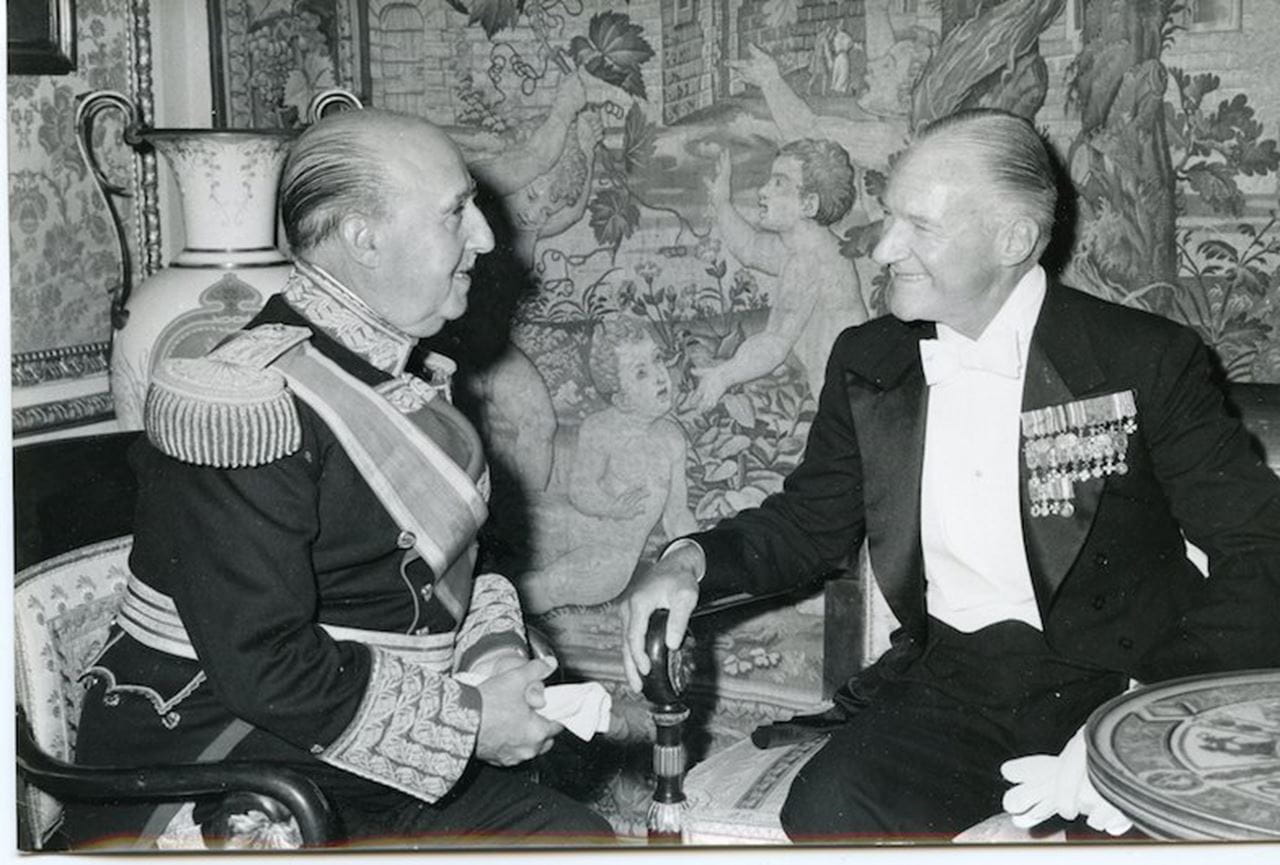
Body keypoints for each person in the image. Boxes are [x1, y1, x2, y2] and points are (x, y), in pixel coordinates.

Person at [620, 108, 1280, 841]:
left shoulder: (1143, 357)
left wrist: (1144, 718)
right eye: (888, 217)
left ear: (1013, 240)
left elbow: (1261, 548)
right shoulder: (870, 359)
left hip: (1121, 682)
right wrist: (689, 559)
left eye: (919, 226)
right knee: (828, 813)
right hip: (951, 684)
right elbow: (807, 525)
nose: (882, 249)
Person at [67, 108, 614, 849]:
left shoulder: (401, 371)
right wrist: (471, 720)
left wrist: (493, 660)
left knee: (577, 839)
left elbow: (445, 571)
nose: (486, 238)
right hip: (218, 758)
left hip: (328, 737)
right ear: (363, 239)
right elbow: (263, 662)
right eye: (455, 212)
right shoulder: (248, 398)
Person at [519, 317, 697, 613]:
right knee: (530, 524)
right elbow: (581, 489)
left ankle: (507, 601)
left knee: (558, 583)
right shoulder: (600, 428)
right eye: (641, 372)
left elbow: (676, 513)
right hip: (572, 525)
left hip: (615, 553)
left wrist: (694, 557)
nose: (659, 376)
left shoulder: (672, 439)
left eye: (657, 359)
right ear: (621, 398)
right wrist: (610, 507)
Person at [689, 138, 868, 413]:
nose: (762, 191)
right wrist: (722, 203)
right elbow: (750, 248)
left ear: (808, 204)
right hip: (843, 397)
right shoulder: (804, 246)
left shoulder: (809, 260)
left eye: (778, 183)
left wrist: (723, 376)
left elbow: (775, 344)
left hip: (850, 408)